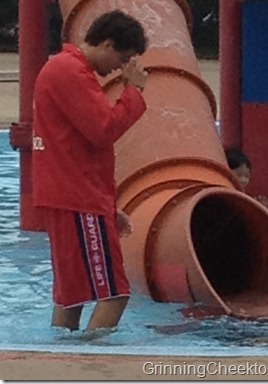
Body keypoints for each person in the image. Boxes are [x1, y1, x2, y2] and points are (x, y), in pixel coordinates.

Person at [32, 10, 148, 332]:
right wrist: (134, 91)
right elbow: (103, 129)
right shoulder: (71, 71)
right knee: (115, 293)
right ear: (108, 44)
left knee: (72, 296)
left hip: (68, 195)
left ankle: (61, 360)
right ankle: (91, 363)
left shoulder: (61, 67)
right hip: (78, 198)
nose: (119, 68)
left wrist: (109, 208)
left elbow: (80, 145)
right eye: (122, 58)